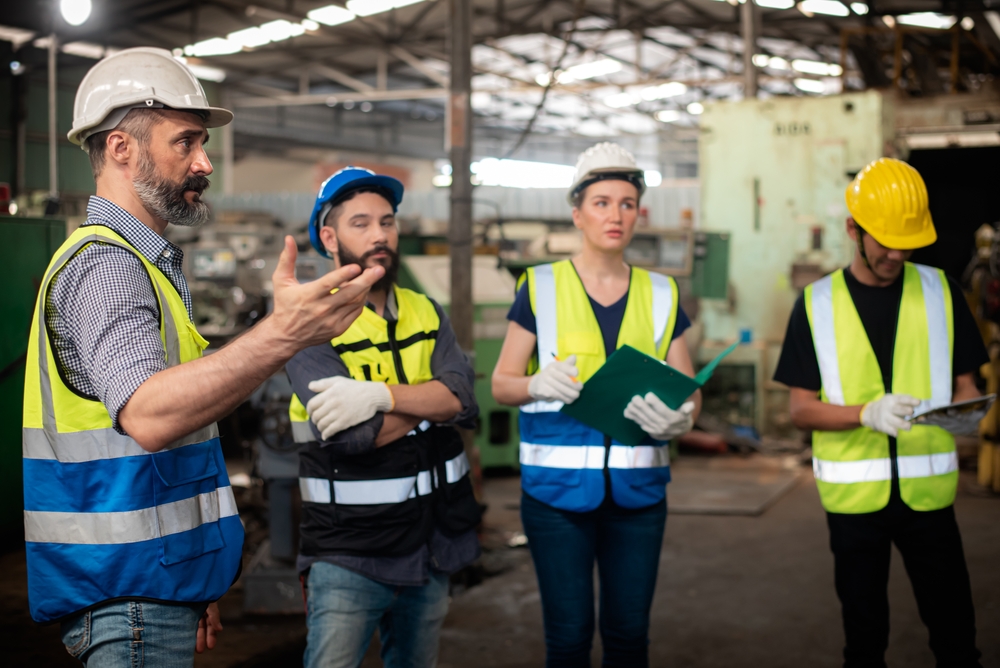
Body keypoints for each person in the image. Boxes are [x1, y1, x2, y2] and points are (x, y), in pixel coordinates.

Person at [23, 48, 384, 666]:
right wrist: (282, 334)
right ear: (121, 149)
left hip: (154, 583)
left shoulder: (147, 266)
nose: (205, 162)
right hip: (128, 590)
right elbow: (151, 416)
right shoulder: (108, 265)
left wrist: (196, 581)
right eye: (185, 143)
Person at [491, 142, 700, 667]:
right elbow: (502, 383)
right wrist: (536, 384)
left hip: (639, 497)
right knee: (568, 639)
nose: (616, 214)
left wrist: (685, 416)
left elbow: (689, 388)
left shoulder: (662, 293)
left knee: (629, 637)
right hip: (556, 499)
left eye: (627, 203)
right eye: (603, 202)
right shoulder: (539, 287)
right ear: (577, 212)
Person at [774, 157, 985, 668]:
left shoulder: (942, 292)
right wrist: (863, 414)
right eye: (884, 240)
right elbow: (799, 409)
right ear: (853, 228)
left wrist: (968, 414)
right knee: (865, 642)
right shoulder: (816, 304)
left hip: (930, 498)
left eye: (906, 241)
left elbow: (966, 385)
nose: (896, 253)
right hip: (854, 505)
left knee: (956, 638)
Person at [285, 167, 482, 668]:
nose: (379, 235)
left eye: (387, 222)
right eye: (361, 223)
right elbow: (354, 439)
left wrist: (379, 397)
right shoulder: (308, 321)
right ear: (329, 237)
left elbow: (462, 398)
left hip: (432, 544)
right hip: (349, 553)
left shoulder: (425, 310)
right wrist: (427, 408)